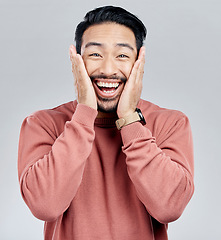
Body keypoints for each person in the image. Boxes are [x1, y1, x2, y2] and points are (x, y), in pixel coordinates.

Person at [18, 5, 194, 240]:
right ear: (77, 61)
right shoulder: (42, 124)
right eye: (95, 54)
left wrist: (130, 119)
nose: (108, 69)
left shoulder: (170, 123)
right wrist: (84, 114)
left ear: (138, 62)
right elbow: (45, 205)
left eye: (122, 55)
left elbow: (169, 208)